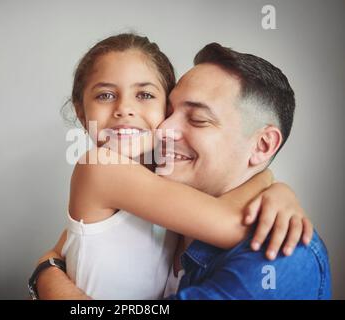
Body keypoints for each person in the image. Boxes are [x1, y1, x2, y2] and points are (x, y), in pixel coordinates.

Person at [30, 35, 314, 300]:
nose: (124, 109)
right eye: (105, 95)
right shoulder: (99, 167)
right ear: (82, 113)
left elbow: (60, 250)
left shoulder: (162, 178)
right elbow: (230, 224)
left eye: (144, 95)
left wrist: (46, 270)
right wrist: (271, 184)